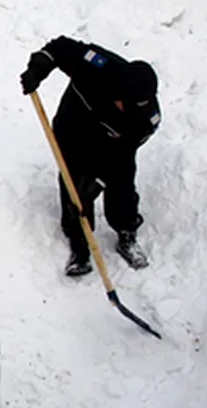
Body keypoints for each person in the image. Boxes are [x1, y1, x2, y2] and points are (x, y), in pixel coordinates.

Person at [19, 35, 161, 276]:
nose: (125, 109)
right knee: (74, 189)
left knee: (122, 187)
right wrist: (38, 67)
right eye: (123, 103)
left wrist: (100, 181)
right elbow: (59, 48)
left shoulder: (147, 119)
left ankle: (126, 233)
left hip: (113, 150)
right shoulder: (96, 65)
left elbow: (122, 154)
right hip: (73, 134)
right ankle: (80, 245)